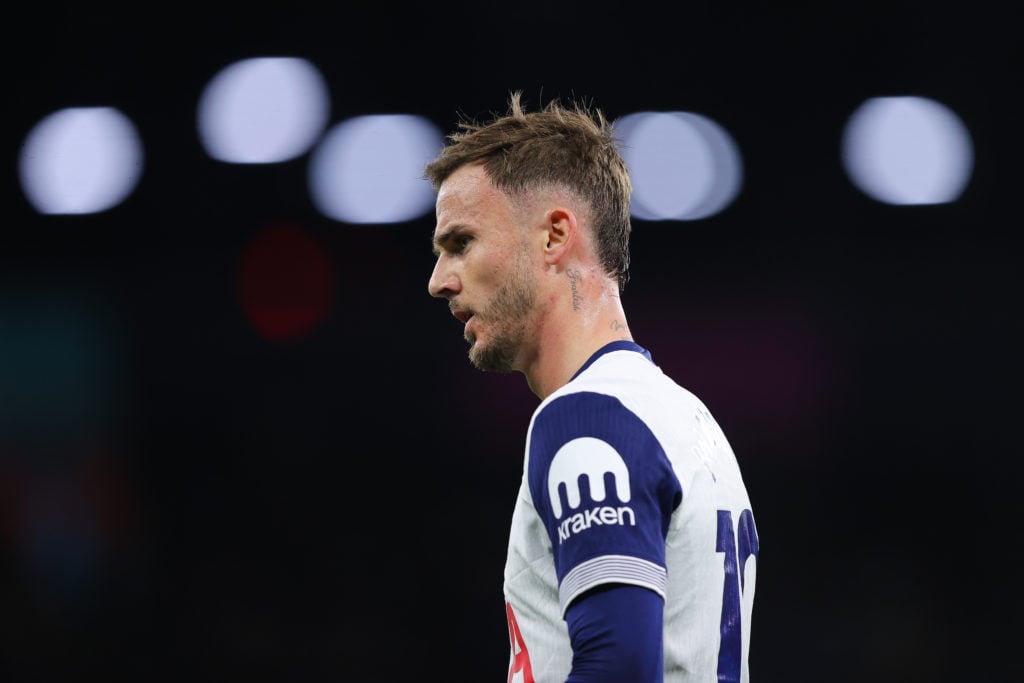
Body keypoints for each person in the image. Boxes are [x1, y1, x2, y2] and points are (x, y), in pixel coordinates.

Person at [425, 91, 759, 683]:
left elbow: (621, 667)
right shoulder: (689, 419)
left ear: (554, 235)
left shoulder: (585, 417)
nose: (438, 281)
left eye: (461, 243)